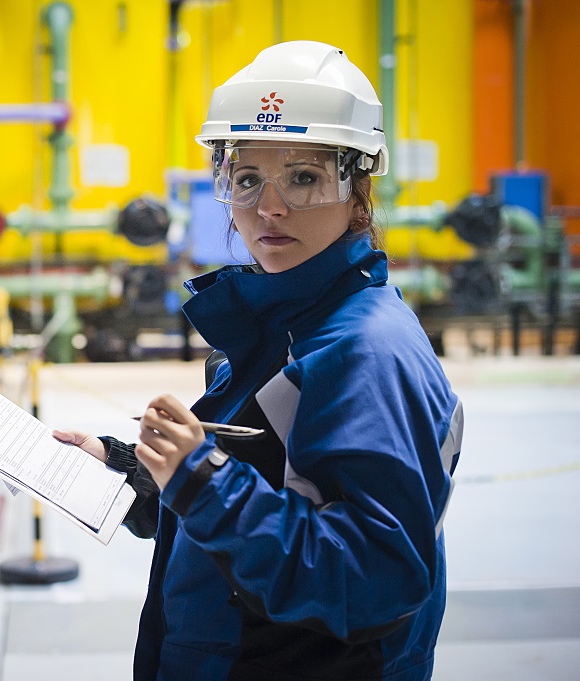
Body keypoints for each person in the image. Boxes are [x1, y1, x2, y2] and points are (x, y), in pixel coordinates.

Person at [54, 41, 464, 681]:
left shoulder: (362, 351)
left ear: (359, 191)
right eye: (247, 179)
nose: (268, 207)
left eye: (304, 177)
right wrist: (136, 473)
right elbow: (273, 489)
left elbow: (374, 581)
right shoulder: (285, 322)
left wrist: (205, 481)